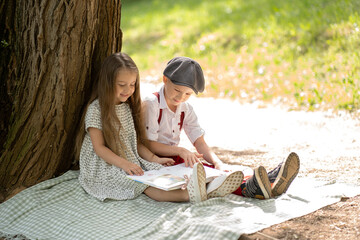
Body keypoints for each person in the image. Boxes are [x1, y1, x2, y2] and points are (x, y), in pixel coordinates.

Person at [74, 52, 241, 204]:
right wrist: (124, 164)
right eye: (122, 84)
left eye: (132, 84)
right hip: (104, 164)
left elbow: (134, 142)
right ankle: (191, 195)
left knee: (160, 171)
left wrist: (153, 159)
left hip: (129, 158)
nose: (128, 90)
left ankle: (207, 189)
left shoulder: (126, 107)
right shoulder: (96, 109)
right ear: (108, 82)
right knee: (142, 183)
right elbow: (99, 148)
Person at [143, 56, 300, 199]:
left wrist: (218, 163)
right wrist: (181, 151)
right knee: (203, 173)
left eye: (187, 94)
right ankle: (252, 187)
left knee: (215, 169)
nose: (180, 97)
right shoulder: (152, 103)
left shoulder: (185, 109)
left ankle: (268, 181)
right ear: (165, 79)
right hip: (154, 160)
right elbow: (148, 144)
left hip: (174, 158)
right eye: (177, 90)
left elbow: (199, 142)